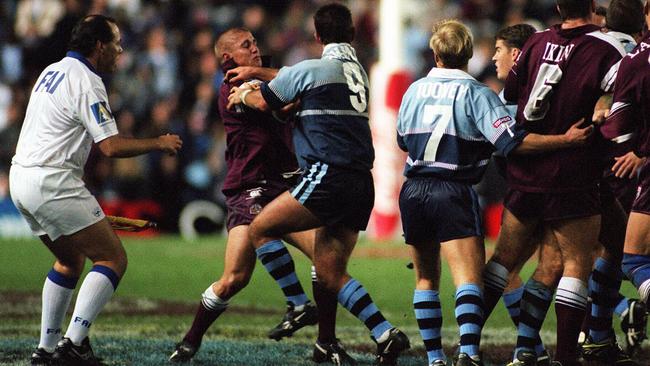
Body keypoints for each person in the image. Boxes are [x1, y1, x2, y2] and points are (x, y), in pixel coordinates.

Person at [396, 19, 592, 366]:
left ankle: (435, 359)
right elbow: (509, 143)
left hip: (412, 189)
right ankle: (469, 354)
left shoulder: (413, 90)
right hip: (453, 189)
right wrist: (565, 140)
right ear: (469, 54)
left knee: (425, 277)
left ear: (435, 53)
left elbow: (401, 140)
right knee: (470, 280)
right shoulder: (477, 93)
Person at [227, 3, 410, 365]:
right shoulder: (356, 71)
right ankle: (385, 334)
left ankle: (297, 305)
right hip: (361, 183)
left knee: (260, 227)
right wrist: (261, 70)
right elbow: (300, 76)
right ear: (353, 33)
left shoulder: (312, 69)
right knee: (329, 271)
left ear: (316, 35)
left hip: (328, 176)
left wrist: (245, 92)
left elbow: (266, 101)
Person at [169, 27, 355, 365]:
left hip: (287, 186)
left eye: (255, 41)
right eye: (245, 46)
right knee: (234, 278)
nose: (254, 48)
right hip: (250, 189)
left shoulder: (263, 76)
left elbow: (292, 90)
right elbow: (280, 101)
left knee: (327, 261)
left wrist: (271, 77)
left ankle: (326, 341)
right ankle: (189, 342)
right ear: (228, 58)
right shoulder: (233, 86)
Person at [8, 15, 182, 365]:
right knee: (112, 258)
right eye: (116, 43)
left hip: (21, 179)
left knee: (69, 260)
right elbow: (111, 147)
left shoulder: (51, 71)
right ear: (99, 46)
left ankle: (45, 349)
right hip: (53, 182)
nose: (120, 51)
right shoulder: (88, 80)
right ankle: (73, 344)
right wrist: (158, 142)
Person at [489, 1, 626, 365]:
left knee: (511, 262)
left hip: (526, 171)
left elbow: (513, 92)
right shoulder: (607, 46)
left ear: (557, 6)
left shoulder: (535, 42)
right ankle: (568, 355)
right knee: (577, 265)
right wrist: (603, 101)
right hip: (573, 172)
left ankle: (476, 347)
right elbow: (625, 94)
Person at [580, 0, 648, 362]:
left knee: (618, 254)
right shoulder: (631, 52)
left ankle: (594, 332)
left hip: (612, 161)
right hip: (628, 162)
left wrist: (599, 120)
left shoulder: (601, 50)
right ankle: (600, 332)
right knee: (612, 250)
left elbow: (609, 109)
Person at [600, 0, 650, 357]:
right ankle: (602, 330)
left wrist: (641, 150)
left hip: (624, 170)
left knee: (627, 258)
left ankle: (603, 326)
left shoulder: (634, 60)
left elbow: (617, 123)